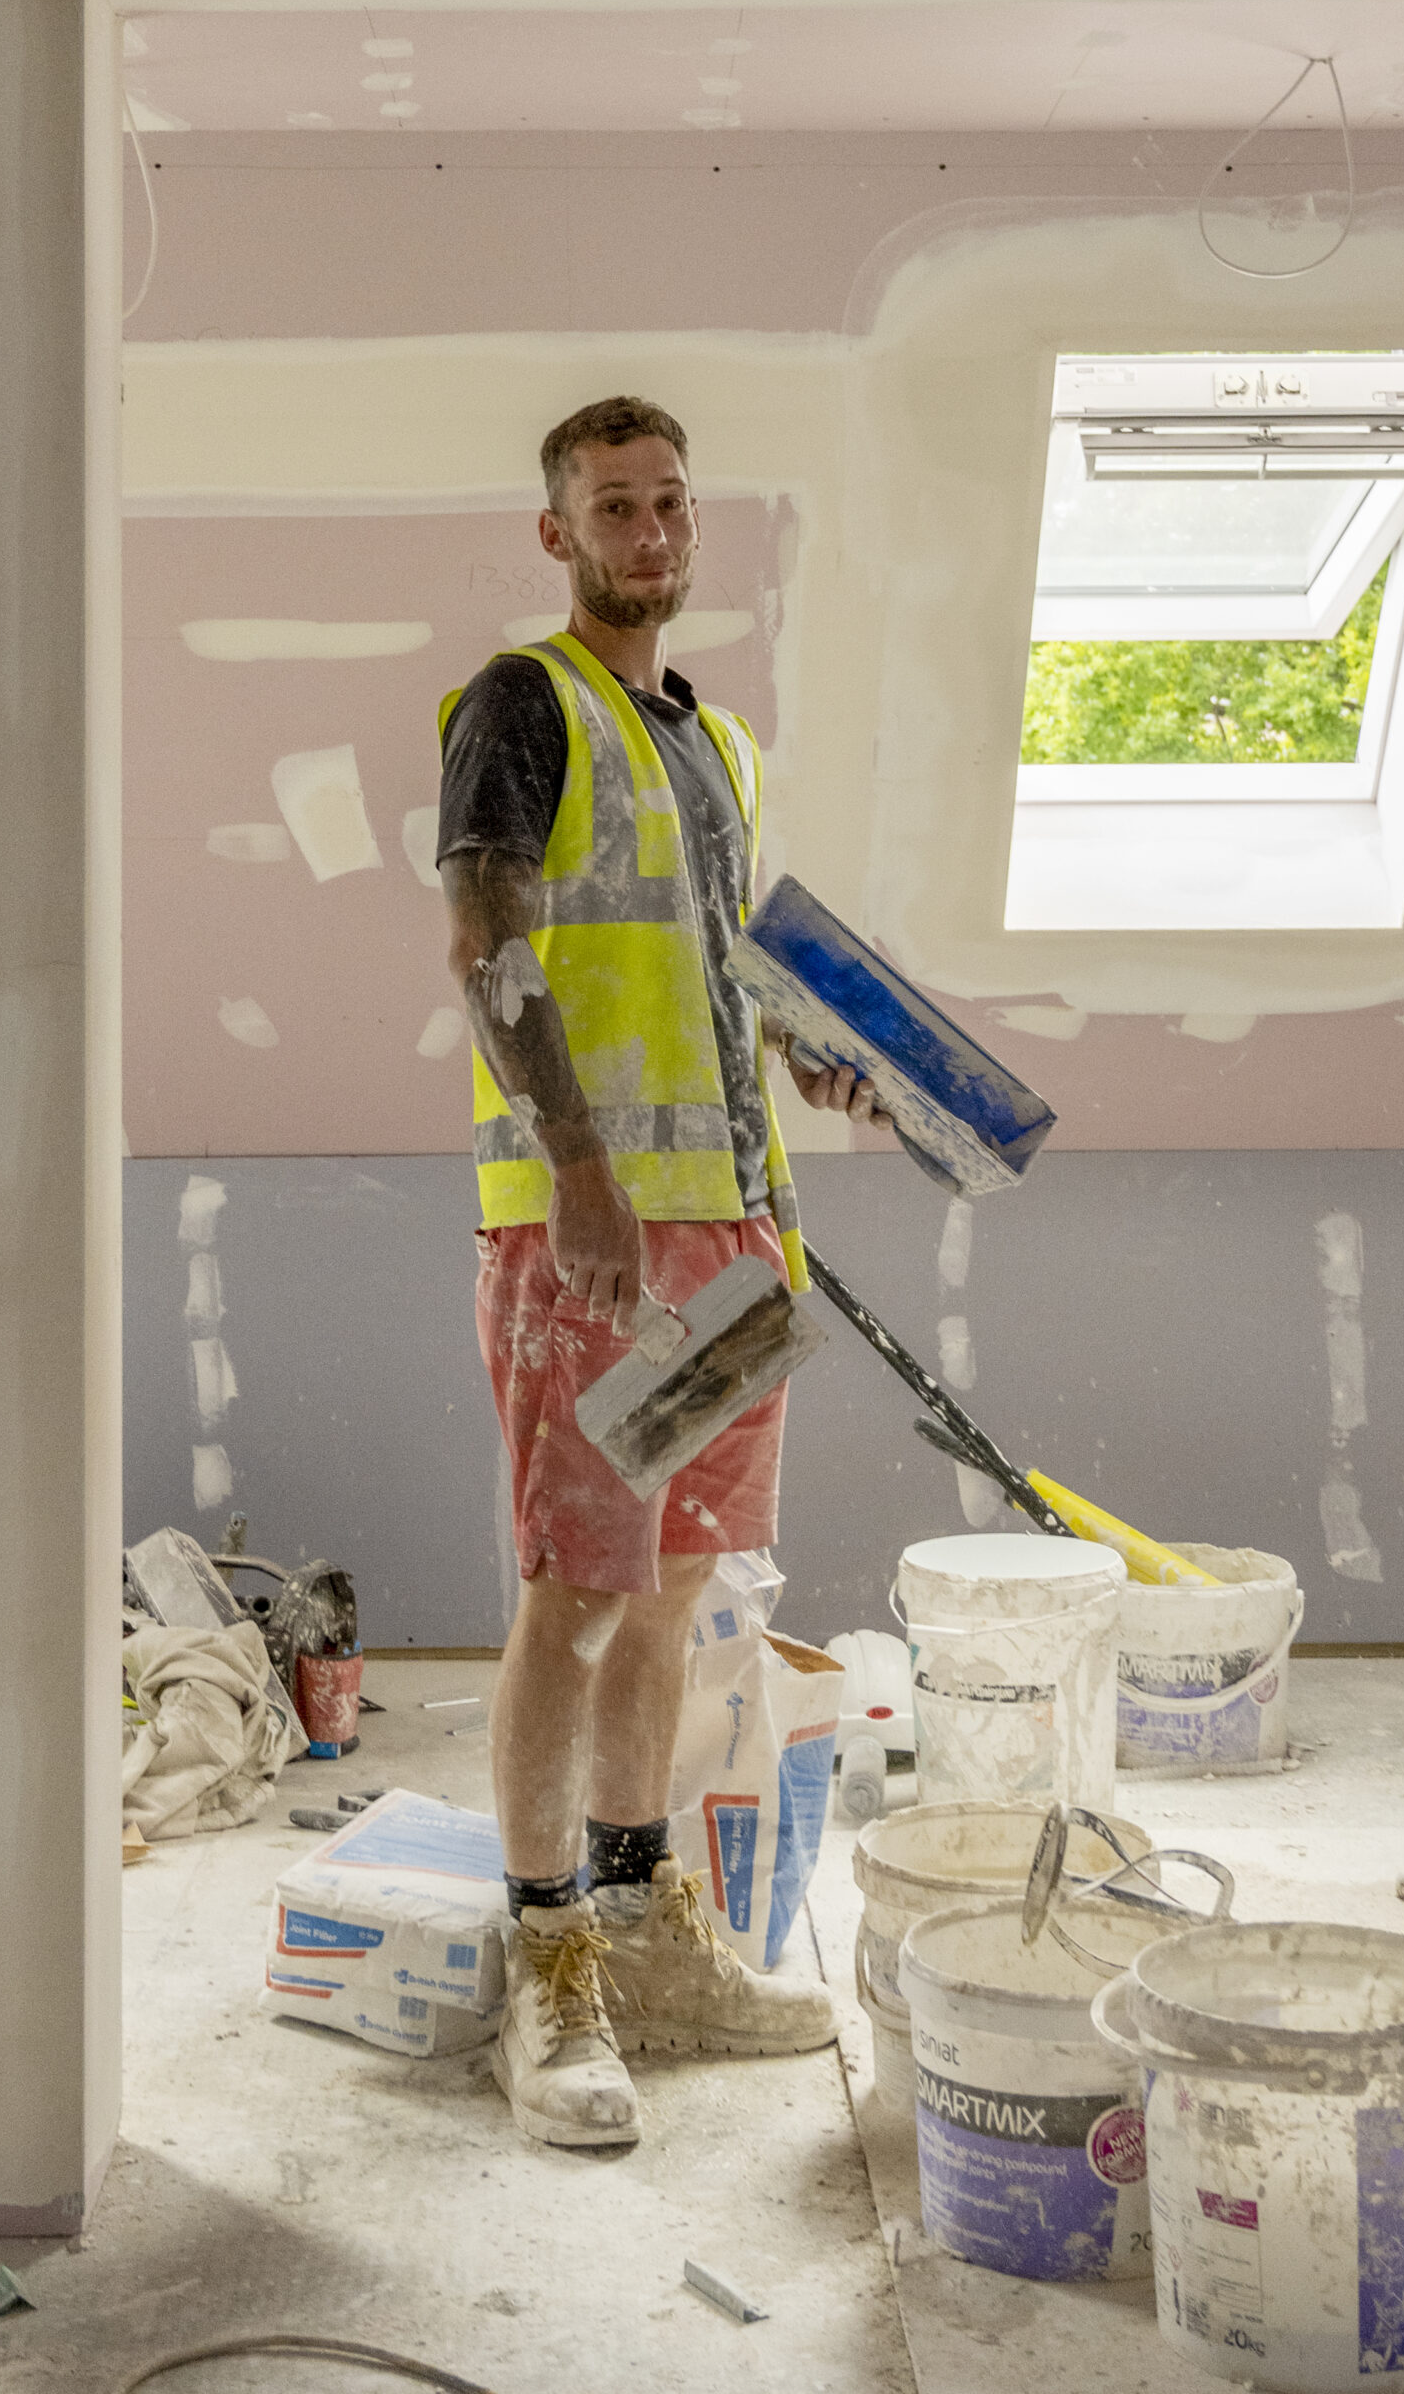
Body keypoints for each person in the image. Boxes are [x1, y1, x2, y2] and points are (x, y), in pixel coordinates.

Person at [436, 395, 891, 2149]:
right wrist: (577, 1175)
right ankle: (549, 1972)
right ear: (560, 534)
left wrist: (812, 1058)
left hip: (735, 1237)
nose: (650, 530)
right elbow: (487, 936)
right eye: (614, 507)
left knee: (681, 1590)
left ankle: (643, 1924)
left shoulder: (720, 740)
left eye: (669, 501)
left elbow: (711, 964)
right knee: (575, 1590)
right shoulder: (519, 706)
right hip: (603, 1243)